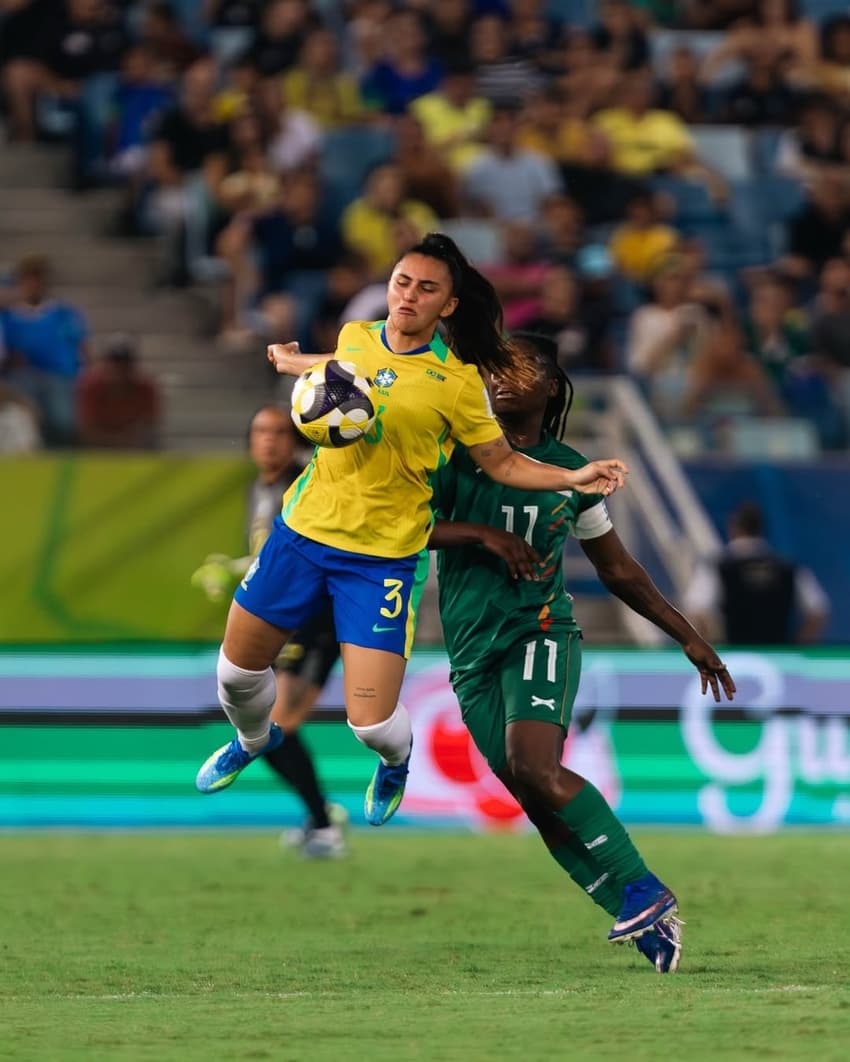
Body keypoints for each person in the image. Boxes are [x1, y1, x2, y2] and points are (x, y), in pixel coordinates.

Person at [194, 232, 628, 829]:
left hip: (380, 560)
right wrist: (292, 361)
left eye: (427, 288)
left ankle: (396, 763)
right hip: (303, 534)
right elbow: (344, 370)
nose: (409, 296)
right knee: (236, 675)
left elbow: (501, 462)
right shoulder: (356, 338)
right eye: (402, 282)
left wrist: (573, 476)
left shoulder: (457, 385)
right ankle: (252, 741)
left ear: (448, 305)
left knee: (371, 724)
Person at [429, 332, 736, 972]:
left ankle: (646, 887)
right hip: (471, 651)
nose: (507, 377)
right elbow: (405, 525)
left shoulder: (574, 473)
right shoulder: (454, 454)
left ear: (553, 386)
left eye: (525, 366)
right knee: (534, 798)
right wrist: (481, 534)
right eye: (497, 367)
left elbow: (619, 570)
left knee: (534, 766)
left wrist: (688, 635)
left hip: (539, 633)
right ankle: (642, 917)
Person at [191, 405, 347, 858]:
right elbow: (275, 555)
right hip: (283, 622)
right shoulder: (258, 490)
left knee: (276, 725)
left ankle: (322, 825)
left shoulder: (308, 482)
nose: (270, 440)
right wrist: (235, 566)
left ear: (296, 439)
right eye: (260, 431)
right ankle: (320, 821)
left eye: (279, 432)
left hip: (316, 620)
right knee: (269, 726)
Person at [683, 501, 829, 645]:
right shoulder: (789, 569)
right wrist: (799, 647)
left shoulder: (717, 567)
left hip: (734, 657)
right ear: (761, 529)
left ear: (733, 528)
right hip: (780, 658)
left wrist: (710, 649)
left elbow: (696, 609)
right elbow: (817, 611)